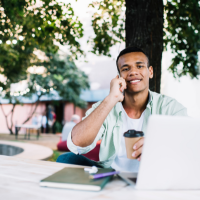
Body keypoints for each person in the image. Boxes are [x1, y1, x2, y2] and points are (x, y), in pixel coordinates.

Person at [57, 46, 187, 171]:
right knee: (66, 158)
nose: (133, 72)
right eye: (125, 69)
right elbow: (76, 144)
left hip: (154, 173)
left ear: (150, 72)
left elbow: (190, 142)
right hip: (110, 174)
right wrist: (110, 99)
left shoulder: (169, 107)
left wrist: (158, 145)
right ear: (119, 77)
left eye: (140, 66)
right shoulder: (105, 105)